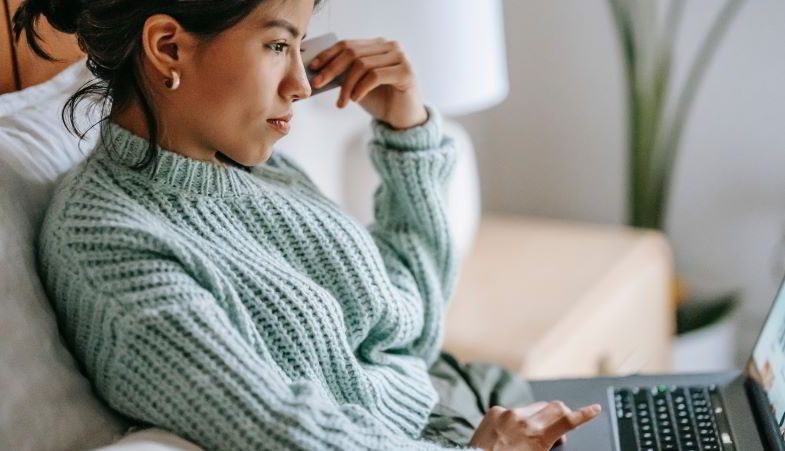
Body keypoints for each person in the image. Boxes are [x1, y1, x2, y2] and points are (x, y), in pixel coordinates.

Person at [14, 0, 601, 449]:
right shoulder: (108, 246)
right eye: (276, 46)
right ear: (168, 46)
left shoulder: (246, 165)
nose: (300, 85)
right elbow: (281, 429)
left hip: (463, 400)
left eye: (300, 47)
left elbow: (408, 330)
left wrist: (408, 132)